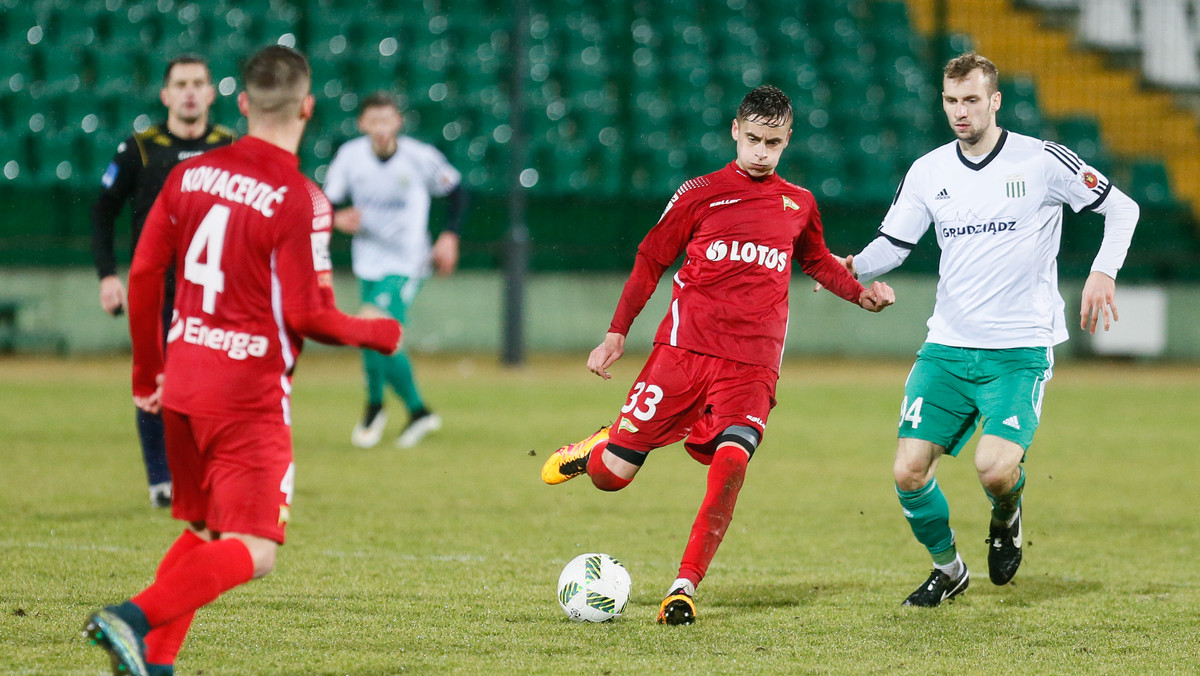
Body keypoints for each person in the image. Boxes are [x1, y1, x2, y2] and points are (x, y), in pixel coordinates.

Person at [81, 46, 402, 676]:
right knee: (255, 550)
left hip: (183, 382)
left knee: (204, 529)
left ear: (243, 104)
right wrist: (379, 331)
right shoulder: (300, 197)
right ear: (308, 107)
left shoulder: (188, 176)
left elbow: (145, 272)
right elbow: (310, 315)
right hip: (246, 397)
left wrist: (148, 372)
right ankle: (133, 617)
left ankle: (155, 663)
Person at [540, 85, 895, 625]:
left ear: (787, 140)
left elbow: (818, 261)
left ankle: (683, 588)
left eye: (772, 143)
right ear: (735, 130)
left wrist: (860, 290)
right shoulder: (700, 193)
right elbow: (650, 259)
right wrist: (616, 334)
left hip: (753, 364)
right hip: (683, 353)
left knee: (731, 462)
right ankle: (598, 446)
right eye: (752, 139)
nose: (760, 152)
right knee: (613, 475)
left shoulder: (798, 203)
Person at [842, 52, 1138, 607]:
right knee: (908, 471)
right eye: (951, 101)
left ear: (995, 101)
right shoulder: (929, 170)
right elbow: (893, 246)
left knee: (995, 469)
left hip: (1019, 349)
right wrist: (845, 269)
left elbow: (1124, 210)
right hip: (947, 347)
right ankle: (948, 569)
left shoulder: (1041, 160)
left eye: (971, 100)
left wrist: (1103, 272)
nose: (960, 111)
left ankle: (1008, 514)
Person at [90, 54, 237, 508]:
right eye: (181, 83)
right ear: (166, 94)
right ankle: (161, 481)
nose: (190, 91)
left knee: (214, 384)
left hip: (215, 290)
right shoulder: (139, 148)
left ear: (211, 94)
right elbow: (102, 211)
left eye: (198, 83)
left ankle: (206, 472)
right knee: (155, 382)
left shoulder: (232, 148)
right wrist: (108, 276)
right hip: (156, 287)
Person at [322, 93, 468, 449]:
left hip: (408, 262)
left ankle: (377, 407)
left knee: (373, 324)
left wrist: (450, 236)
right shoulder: (350, 156)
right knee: (372, 334)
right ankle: (416, 411)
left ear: (398, 122)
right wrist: (337, 217)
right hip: (368, 260)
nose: (381, 128)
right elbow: (327, 202)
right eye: (374, 121)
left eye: (387, 120)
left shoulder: (420, 157)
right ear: (363, 124)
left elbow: (459, 190)